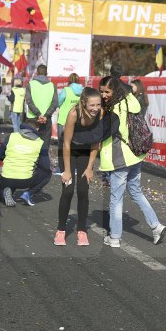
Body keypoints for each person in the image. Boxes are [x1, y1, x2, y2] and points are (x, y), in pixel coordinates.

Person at [98, 76, 166, 248]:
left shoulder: (114, 109)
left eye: (107, 91)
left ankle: (114, 237)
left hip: (120, 158)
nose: (103, 95)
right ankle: (156, 226)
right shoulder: (131, 101)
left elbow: (106, 133)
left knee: (116, 198)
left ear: (114, 91)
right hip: (136, 155)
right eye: (101, 91)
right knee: (136, 192)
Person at [54, 87, 102, 246]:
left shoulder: (100, 115)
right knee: (68, 189)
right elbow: (66, 143)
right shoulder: (74, 113)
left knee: (83, 189)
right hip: (68, 149)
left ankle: (82, 230)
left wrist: (90, 168)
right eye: (92, 105)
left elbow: (96, 143)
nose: (95, 108)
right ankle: (61, 230)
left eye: (98, 104)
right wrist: (67, 171)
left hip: (85, 150)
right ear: (83, 103)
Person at [0, 118, 50, 207]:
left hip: (6, 177)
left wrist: (10, 158)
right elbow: (46, 166)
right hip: (25, 180)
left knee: (8, 175)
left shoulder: (11, 136)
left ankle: (4, 191)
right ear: (37, 129)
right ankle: (28, 193)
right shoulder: (40, 142)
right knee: (48, 173)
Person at [24, 64, 58, 145]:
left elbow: (29, 101)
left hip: (32, 119)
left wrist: (38, 114)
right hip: (47, 119)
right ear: (47, 74)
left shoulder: (30, 84)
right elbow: (55, 103)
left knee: (31, 144)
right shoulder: (52, 86)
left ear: (36, 73)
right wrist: (45, 116)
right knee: (44, 146)